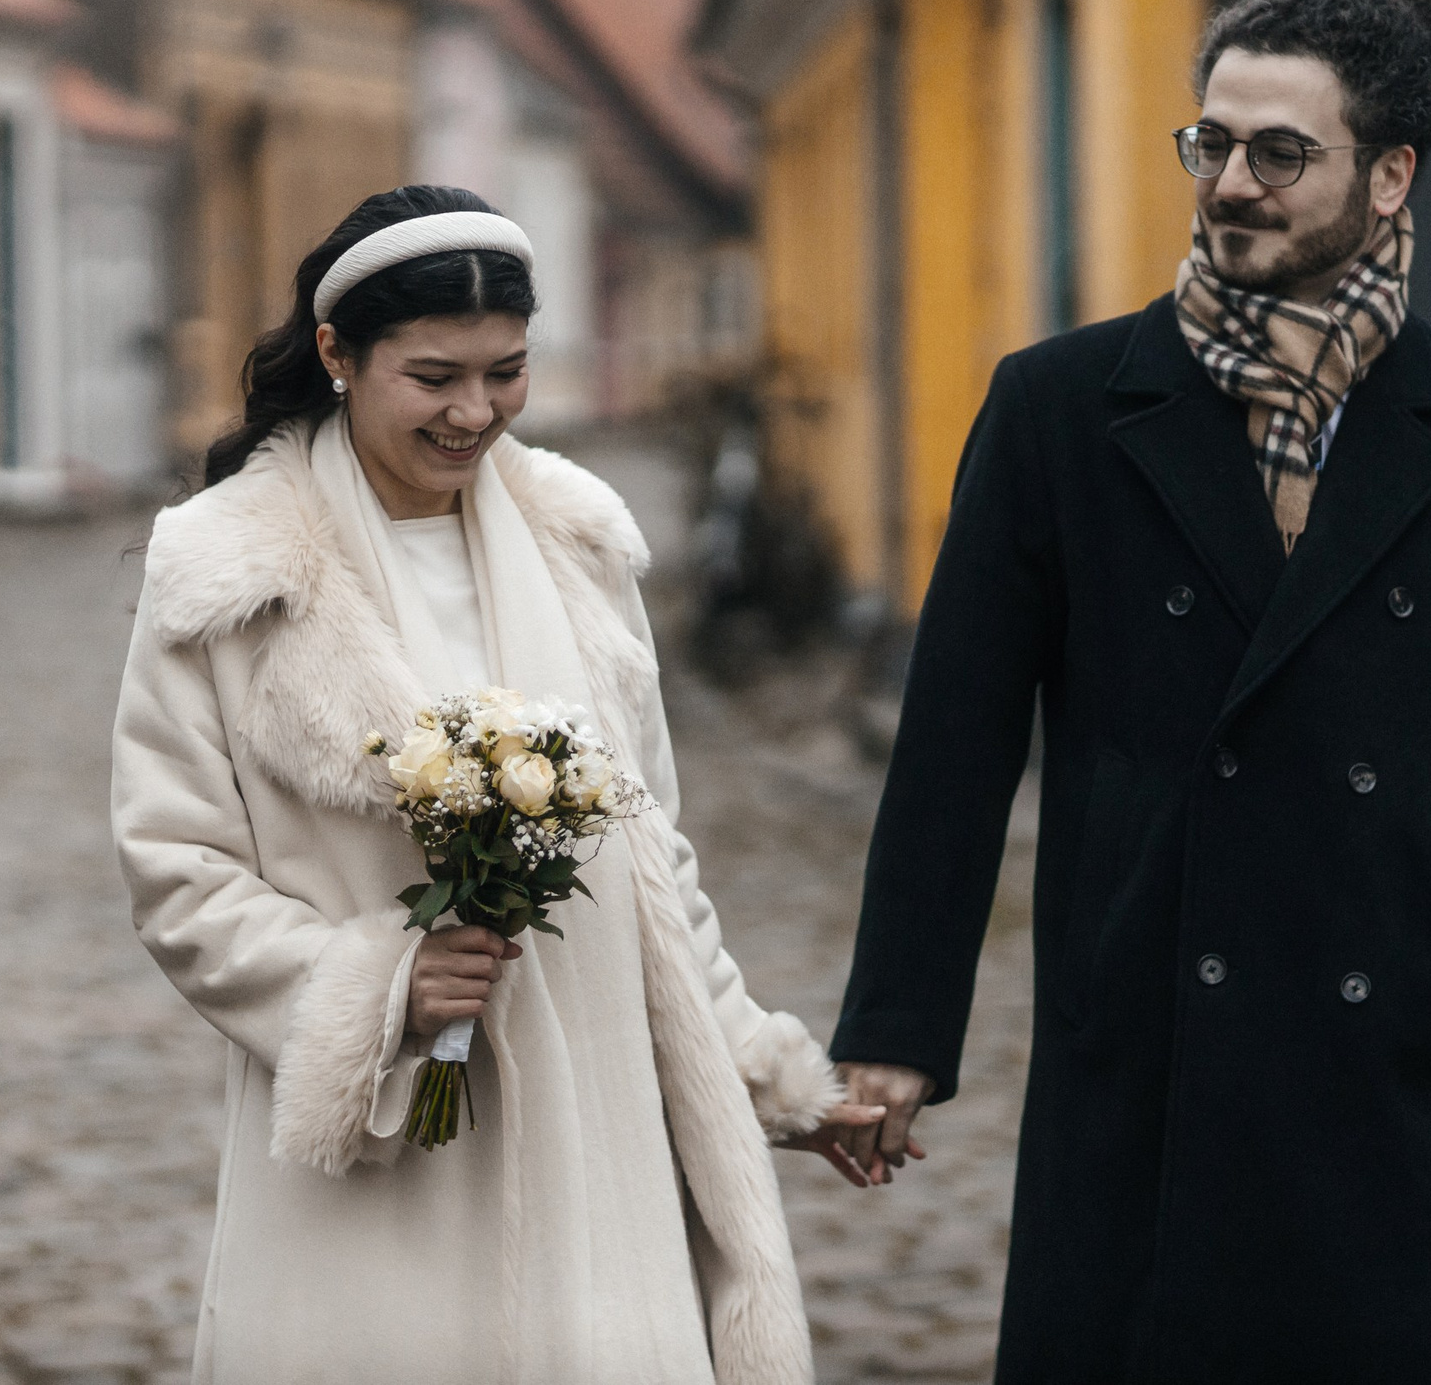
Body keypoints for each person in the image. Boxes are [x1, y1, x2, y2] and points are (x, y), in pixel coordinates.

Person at [827, 0, 1431, 1382]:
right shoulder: (1063, 408)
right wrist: (896, 1031)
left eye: (1278, 151)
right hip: (1144, 1038)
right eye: (1212, 142)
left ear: (1390, 175)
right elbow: (955, 737)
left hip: (1381, 1061)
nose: (1231, 182)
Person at [109, 186, 876, 1384]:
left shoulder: (581, 543)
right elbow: (176, 871)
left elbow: (650, 860)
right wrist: (381, 985)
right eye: (434, 378)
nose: (475, 412)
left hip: (596, 1127)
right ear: (337, 356)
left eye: (505, 373)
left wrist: (765, 1071)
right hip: (378, 1158)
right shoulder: (226, 574)